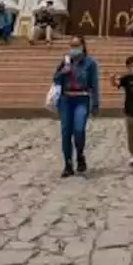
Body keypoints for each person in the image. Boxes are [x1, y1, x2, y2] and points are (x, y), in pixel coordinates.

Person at [52, 36, 99, 177]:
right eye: (71, 45)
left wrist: (95, 103)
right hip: (66, 100)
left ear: (83, 46)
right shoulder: (66, 61)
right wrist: (62, 72)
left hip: (81, 99)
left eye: (76, 45)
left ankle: (80, 154)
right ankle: (68, 164)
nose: (73, 48)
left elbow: (94, 84)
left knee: (79, 130)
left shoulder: (90, 63)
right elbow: (55, 79)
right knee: (66, 131)